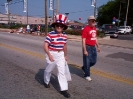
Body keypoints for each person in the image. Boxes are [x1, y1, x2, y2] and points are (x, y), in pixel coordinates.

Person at [44, 14, 70, 98]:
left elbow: (64, 45)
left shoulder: (64, 35)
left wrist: (65, 55)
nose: (59, 27)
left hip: (60, 54)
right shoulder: (50, 34)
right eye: (57, 25)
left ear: (63, 27)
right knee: (48, 70)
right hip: (52, 53)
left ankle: (64, 89)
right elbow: (45, 45)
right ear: (55, 26)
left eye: (61, 26)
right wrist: (49, 55)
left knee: (62, 72)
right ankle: (46, 81)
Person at [81, 15, 101, 81]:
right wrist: (85, 50)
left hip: (93, 47)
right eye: (92, 21)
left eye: (94, 21)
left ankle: (84, 68)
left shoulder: (94, 29)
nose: (94, 22)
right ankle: (87, 75)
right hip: (87, 47)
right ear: (89, 21)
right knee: (87, 61)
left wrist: (98, 46)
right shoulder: (85, 29)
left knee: (93, 61)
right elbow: (83, 40)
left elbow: (95, 38)